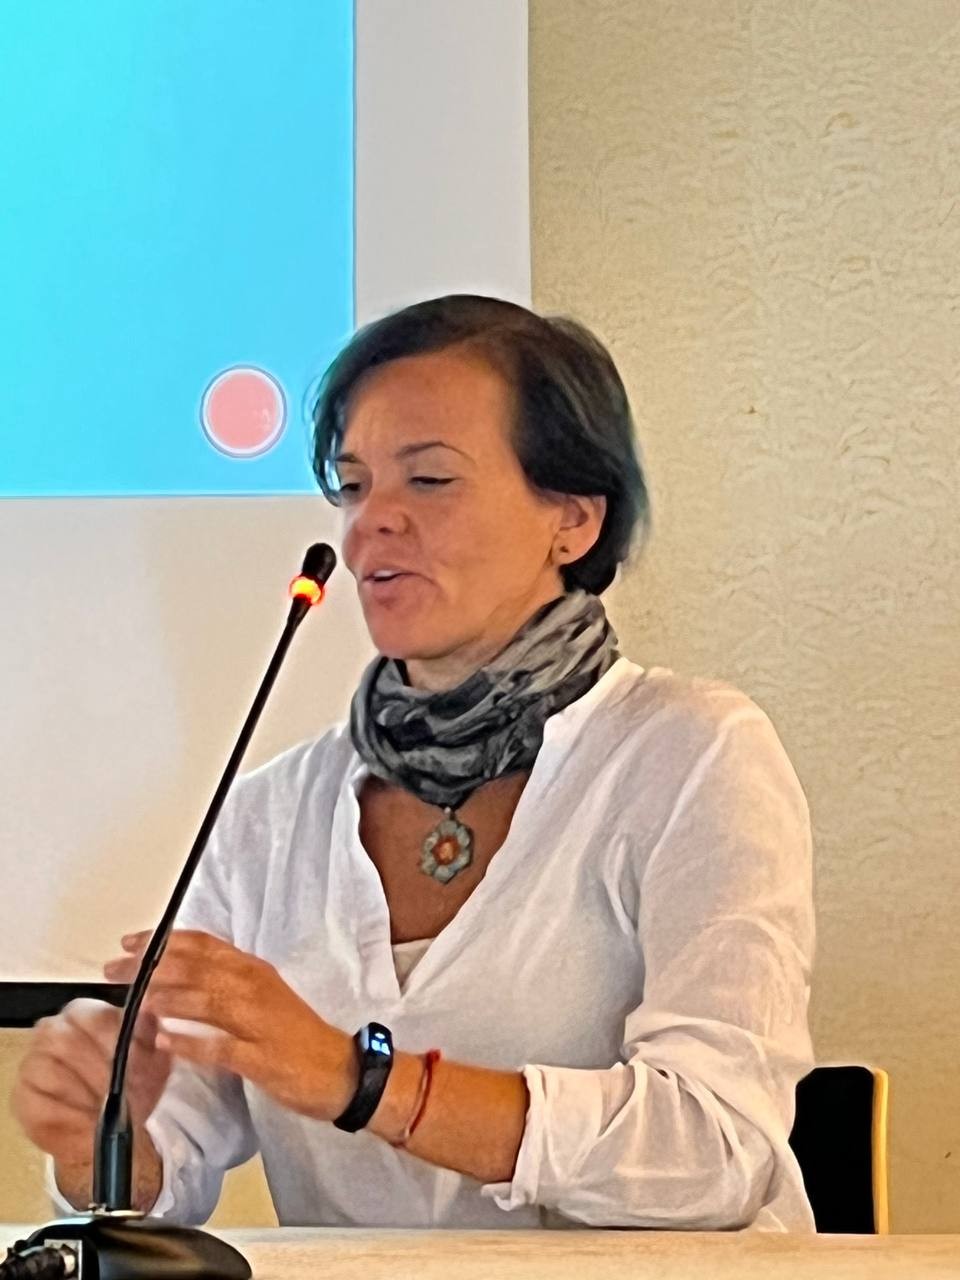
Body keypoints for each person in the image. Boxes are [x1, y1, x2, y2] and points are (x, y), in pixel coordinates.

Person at [12, 294, 816, 1231]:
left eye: (429, 480)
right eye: (354, 487)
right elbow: (168, 1167)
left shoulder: (691, 754)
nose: (369, 529)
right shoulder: (273, 812)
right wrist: (104, 1135)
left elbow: (714, 1148)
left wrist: (363, 1082)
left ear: (573, 519)